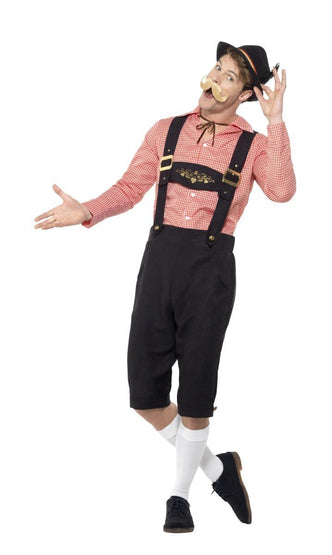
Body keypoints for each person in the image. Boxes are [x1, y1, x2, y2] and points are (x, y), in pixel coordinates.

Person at [34, 41, 296, 533]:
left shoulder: (256, 145)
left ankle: (179, 497)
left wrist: (276, 121)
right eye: (217, 67)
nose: (215, 79)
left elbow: (282, 191)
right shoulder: (166, 129)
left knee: (195, 395)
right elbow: (130, 188)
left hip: (210, 272)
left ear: (245, 94)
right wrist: (87, 209)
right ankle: (219, 469)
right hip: (158, 265)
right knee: (145, 396)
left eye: (230, 76)